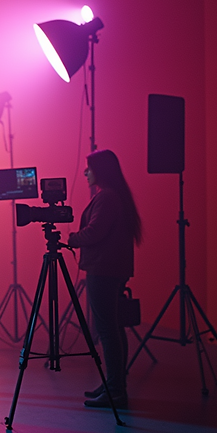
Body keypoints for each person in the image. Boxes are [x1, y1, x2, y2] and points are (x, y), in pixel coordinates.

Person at [67, 149, 141, 409]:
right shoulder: (114, 195)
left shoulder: (107, 198)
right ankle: (113, 385)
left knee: (107, 330)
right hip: (113, 269)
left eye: (89, 168)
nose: (85, 172)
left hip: (103, 270)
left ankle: (116, 390)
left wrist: (71, 239)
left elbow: (95, 232)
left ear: (101, 170)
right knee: (114, 328)